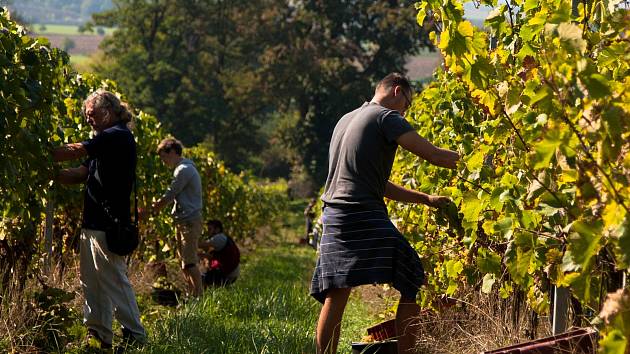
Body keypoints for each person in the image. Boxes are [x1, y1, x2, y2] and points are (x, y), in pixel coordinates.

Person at [310, 73, 460, 354]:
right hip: (361, 213)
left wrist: (426, 199)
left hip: (333, 215)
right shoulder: (386, 117)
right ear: (397, 91)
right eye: (408, 104)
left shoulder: (346, 119)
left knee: (337, 290)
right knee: (412, 274)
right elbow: (435, 156)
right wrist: (478, 162)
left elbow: (376, 182)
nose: (406, 111)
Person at [53, 90, 146, 349]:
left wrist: (39, 152)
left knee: (114, 281)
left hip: (109, 224)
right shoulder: (105, 141)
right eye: (86, 116)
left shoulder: (116, 136)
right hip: (93, 223)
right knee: (92, 282)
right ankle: (99, 335)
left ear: (108, 111)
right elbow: (80, 173)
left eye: (92, 115)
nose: (88, 120)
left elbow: (74, 152)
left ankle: (135, 336)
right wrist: (48, 172)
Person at [144, 138, 204, 298]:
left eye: (164, 157)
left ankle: (199, 297)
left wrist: (155, 207)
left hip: (189, 221)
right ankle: (192, 296)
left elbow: (171, 193)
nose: (163, 162)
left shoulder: (184, 169)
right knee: (184, 263)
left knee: (190, 262)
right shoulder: (184, 168)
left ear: (172, 152)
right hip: (184, 220)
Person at [198, 220, 240, 287]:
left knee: (199, 279)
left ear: (217, 229)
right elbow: (212, 256)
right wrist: (200, 255)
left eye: (210, 229)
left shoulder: (219, 238)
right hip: (232, 273)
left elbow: (203, 244)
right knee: (206, 275)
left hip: (227, 275)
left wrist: (187, 243)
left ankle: (199, 295)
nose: (208, 232)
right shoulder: (224, 237)